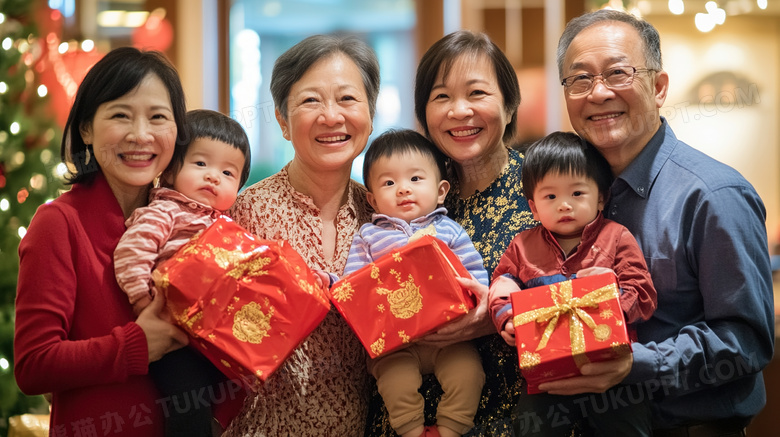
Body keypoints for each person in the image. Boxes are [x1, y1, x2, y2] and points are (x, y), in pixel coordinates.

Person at [538, 9, 775, 437]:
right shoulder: (566, 196)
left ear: (659, 86)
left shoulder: (713, 195)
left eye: (617, 73)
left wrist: (637, 364)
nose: (598, 92)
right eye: (580, 79)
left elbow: (749, 342)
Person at [365, 30, 538, 437]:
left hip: (517, 416)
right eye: (441, 97)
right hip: (401, 415)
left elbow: (581, 291)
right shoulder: (407, 193)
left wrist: (494, 318)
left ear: (510, 105)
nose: (459, 111)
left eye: (477, 93)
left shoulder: (545, 190)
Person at [14, 47, 191, 437]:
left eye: (158, 117)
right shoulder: (59, 224)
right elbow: (33, 365)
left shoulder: (190, 223)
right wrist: (136, 345)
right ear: (86, 129)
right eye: (120, 115)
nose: (140, 135)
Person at [222, 34, 380, 436]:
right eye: (311, 101)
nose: (331, 116)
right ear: (281, 120)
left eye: (347, 99)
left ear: (371, 113)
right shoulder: (246, 212)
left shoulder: (382, 216)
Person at [486, 131, 657, 436]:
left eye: (577, 194)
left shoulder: (617, 237)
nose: (564, 205)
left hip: (612, 369)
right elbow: (502, 282)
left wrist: (607, 297)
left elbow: (642, 294)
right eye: (550, 197)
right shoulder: (522, 246)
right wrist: (507, 317)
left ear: (601, 197)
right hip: (545, 375)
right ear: (534, 207)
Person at [342, 128, 489, 437]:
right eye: (389, 182)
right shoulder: (369, 236)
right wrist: (332, 282)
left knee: (469, 374)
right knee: (395, 382)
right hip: (395, 343)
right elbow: (353, 283)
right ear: (372, 199)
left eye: (416, 179)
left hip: (448, 336)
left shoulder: (449, 231)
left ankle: (450, 428)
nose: (403, 189)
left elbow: (473, 272)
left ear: (440, 191)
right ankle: (411, 430)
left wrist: (479, 297)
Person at [113, 109, 251, 436]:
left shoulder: (227, 226)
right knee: (189, 406)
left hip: (215, 335)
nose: (213, 176)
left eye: (228, 172)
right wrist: (145, 301)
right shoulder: (166, 211)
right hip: (173, 336)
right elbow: (132, 251)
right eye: (201, 164)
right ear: (172, 168)